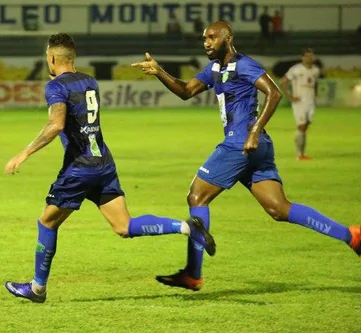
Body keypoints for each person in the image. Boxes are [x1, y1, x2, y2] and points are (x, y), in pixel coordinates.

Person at [130, 21, 360, 291]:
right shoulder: (215, 68)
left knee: (196, 196)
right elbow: (185, 91)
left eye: (213, 38)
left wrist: (254, 131)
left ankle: (193, 273)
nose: (206, 42)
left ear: (228, 39)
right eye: (204, 38)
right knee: (278, 208)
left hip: (241, 142)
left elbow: (273, 93)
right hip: (256, 147)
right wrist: (159, 72)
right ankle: (352, 235)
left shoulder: (243, 64)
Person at [3, 33, 216, 303]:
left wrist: (24, 153)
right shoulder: (89, 81)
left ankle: (37, 288)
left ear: (52, 58)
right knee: (124, 226)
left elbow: (56, 125)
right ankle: (186, 227)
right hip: (103, 164)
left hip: (79, 169)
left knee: (47, 221)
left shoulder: (56, 87)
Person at [279, 48, 321, 160]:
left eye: (311, 56)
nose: (309, 58)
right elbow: (283, 81)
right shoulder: (296, 69)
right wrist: (290, 97)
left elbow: (315, 83)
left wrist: (315, 96)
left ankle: (302, 153)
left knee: (305, 126)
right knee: (301, 126)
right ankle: (299, 154)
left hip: (310, 102)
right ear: (302, 57)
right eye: (307, 56)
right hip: (299, 102)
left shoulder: (316, 70)